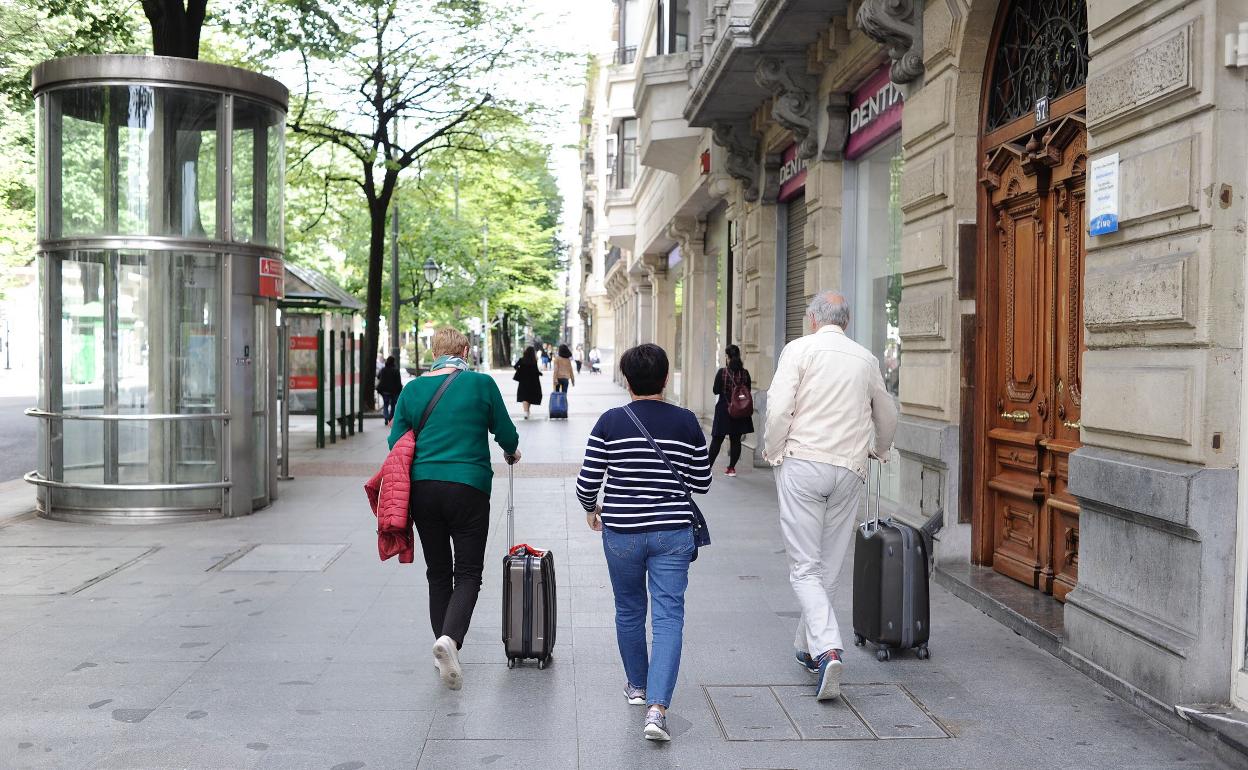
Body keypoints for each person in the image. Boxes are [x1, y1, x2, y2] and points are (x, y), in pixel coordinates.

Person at [764, 291, 897, 702]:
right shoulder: (866, 359)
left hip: (803, 462)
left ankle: (827, 650)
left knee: (804, 568)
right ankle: (808, 649)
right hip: (849, 468)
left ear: (812, 318)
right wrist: (882, 448)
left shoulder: (799, 349)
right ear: (847, 321)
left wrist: (772, 449)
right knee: (829, 566)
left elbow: (779, 406)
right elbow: (887, 413)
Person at [576, 343, 711, 742]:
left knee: (629, 609)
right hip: (672, 532)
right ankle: (657, 709)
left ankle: (637, 685)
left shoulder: (610, 422)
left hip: (622, 532)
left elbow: (587, 482)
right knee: (669, 616)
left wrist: (591, 508)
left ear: (627, 380)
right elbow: (702, 481)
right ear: (666, 379)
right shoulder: (686, 422)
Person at [387, 327, 521, 691]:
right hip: (469, 487)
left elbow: (393, 440)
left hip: (424, 489)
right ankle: (450, 640)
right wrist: (511, 451)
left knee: (438, 572)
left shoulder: (413, 390)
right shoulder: (481, 385)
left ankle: (442, 648)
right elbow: (506, 434)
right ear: (464, 350)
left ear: (434, 352)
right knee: (468, 573)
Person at [708, 344, 753, 477]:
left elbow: (715, 390)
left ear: (727, 357)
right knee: (736, 440)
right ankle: (731, 468)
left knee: (717, 439)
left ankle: (707, 468)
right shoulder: (745, 373)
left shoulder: (722, 372)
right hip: (739, 410)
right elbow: (748, 391)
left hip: (724, 409)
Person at [513, 346, 543, 419]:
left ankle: (526, 412)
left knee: (524, 396)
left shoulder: (522, 359)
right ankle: (527, 411)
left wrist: (520, 370)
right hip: (533, 381)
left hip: (523, 380)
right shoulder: (534, 360)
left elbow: (515, 366)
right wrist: (540, 373)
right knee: (530, 396)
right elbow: (536, 370)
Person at [376, 356, 403, 427]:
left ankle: (386, 417)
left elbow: (378, 377)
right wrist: (400, 390)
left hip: (384, 391)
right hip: (394, 391)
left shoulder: (383, 369)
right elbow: (398, 382)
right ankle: (390, 418)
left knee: (385, 404)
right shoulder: (396, 370)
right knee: (393, 405)